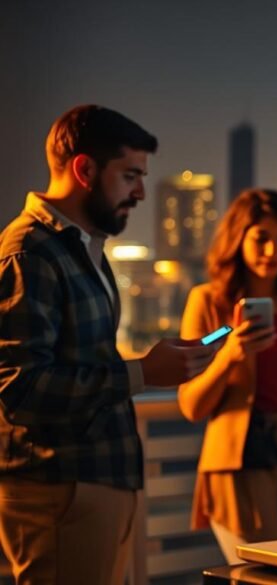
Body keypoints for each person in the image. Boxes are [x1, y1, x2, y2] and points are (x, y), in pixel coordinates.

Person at [0, 105, 218, 584]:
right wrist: (144, 373)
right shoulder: (29, 253)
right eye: (131, 176)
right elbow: (20, 389)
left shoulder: (81, 249)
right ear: (85, 169)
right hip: (62, 488)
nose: (140, 192)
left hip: (95, 483)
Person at [177, 189, 277, 563]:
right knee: (262, 573)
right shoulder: (208, 302)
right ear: (238, 238)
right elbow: (191, 405)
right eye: (261, 238)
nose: (272, 251)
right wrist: (230, 355)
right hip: (241, 453)